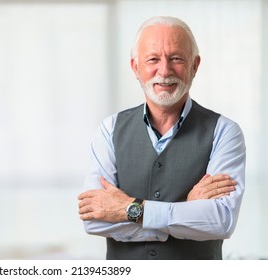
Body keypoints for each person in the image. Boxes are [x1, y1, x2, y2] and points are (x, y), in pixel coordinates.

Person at [77, 16, 246, 260]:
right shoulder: (110, 129)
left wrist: (127, 210)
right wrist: (187, 212)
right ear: (136, 67)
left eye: (176, 59)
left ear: (194, 66)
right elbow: (94, 220)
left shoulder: (225, 132)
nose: (164, 71)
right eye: (153, 59)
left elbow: (221, 221)